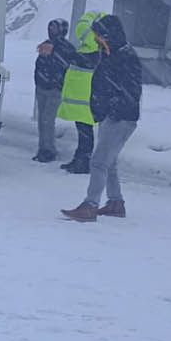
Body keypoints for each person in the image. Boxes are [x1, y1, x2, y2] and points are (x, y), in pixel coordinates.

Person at [62, 15, 141, 222]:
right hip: (111, 115)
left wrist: (113, 109)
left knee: (98, 162)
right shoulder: (111, 53)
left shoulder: (125, 57)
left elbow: (129, 90)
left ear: (108, 35)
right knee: (109, 161)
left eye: (98, 36)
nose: (96, 40)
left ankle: (90, 205)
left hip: (120, 118)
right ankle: (115, 203)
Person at [57, 9, 105, 174]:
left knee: (85, 133)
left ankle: (83, 161)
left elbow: (74, 58)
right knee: (83, 132)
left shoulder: (93, 52)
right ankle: (80, 158)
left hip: (86, 102)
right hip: (83, 102)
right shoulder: (89, 50)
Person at [33, 18, 74, 163]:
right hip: (42, 87)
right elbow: (40, 65)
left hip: (54, 89)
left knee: (47, 120)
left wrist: (57, 82)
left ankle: (48, 150)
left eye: (54, 28)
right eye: (49, 27)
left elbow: (65, 67)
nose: (51, 30)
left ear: (62, 30)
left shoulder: (66, 47)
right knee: (42, 120)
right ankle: (42, 148)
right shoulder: (46, 45)